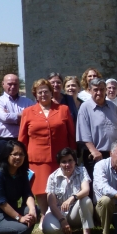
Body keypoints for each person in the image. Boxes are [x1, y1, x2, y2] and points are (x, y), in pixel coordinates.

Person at [20, 79, 77, 217]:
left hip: (60, 157)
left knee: (59, 186)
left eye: (46, 91)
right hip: (37, 158)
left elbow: (71, 133)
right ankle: (45, 215)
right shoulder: (28, 112)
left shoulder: (63, 109)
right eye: (40, 92)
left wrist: (73, 153)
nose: (43, 94)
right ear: (35, 94)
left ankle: (62, 214)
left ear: (52, 93)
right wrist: (22, 157)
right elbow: (22, 137)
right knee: (40, 188)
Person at [0, 140, 38, 234]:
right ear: (6, 156)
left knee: (36, 211)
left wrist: (32, 210)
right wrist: (20, 218)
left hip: (11, 213)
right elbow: (1, 202)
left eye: (21, 154)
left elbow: (28, 194)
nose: (18, 157)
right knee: (23, 229)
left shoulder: (22, 173)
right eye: (15, 154)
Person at [41, 148, 94, 234]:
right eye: (64, 162)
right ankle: (65, 230)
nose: (68, 164)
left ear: (75, 161)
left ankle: (86, 233)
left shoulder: (81, 170)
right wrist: (62, 220)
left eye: (70, 160)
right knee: (48, 229)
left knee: (86, 200)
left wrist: (72, 198)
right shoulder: (53, 177)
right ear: (59, 164)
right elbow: (52, 204)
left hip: (76, 211)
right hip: (58, 212)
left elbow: (86, 190)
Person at [76, 78, 117, 189]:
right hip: (95, 155)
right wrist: (94, 151)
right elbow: (83, 132)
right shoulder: (85, 107)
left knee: (114, 185)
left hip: (112, 154)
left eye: (102, 89)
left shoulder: (112, 107)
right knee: (97, 187)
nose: (99, 93)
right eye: (96, 90)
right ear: (90, 90)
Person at [0, 74, 34, 150]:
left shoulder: (28, 102)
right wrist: (25, 116)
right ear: (3, 84)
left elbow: (34, 118)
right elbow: (5, 117)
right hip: (4, 141)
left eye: (15, 84)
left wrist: (10, 115)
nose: (13, 87)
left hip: (23, 139)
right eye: (10, 84)